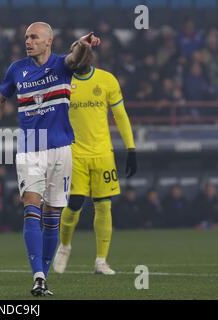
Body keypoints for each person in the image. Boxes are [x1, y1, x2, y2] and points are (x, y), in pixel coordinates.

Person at [0, 21, 100, 296]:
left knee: (52, 217)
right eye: (26, 37)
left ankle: (42, 279)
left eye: (34, 37)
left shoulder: (62, 65)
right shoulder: (17, 69)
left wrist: (83, 44)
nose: (28, 41)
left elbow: (78, 57)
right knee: (31, 208)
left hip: (61, 148)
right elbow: (0, 100)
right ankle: (37, 275)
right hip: (30, 148)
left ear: (49, 41)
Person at [53, 44, 137, 275]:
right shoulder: (63, 82)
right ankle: (65, 246)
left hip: (102, 153)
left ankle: (101, 261)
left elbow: (120, 114)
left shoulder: (107, 80)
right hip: (75, 153)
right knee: (75, 203)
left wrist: (131, 148)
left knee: (104, 205)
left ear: (90, 59)